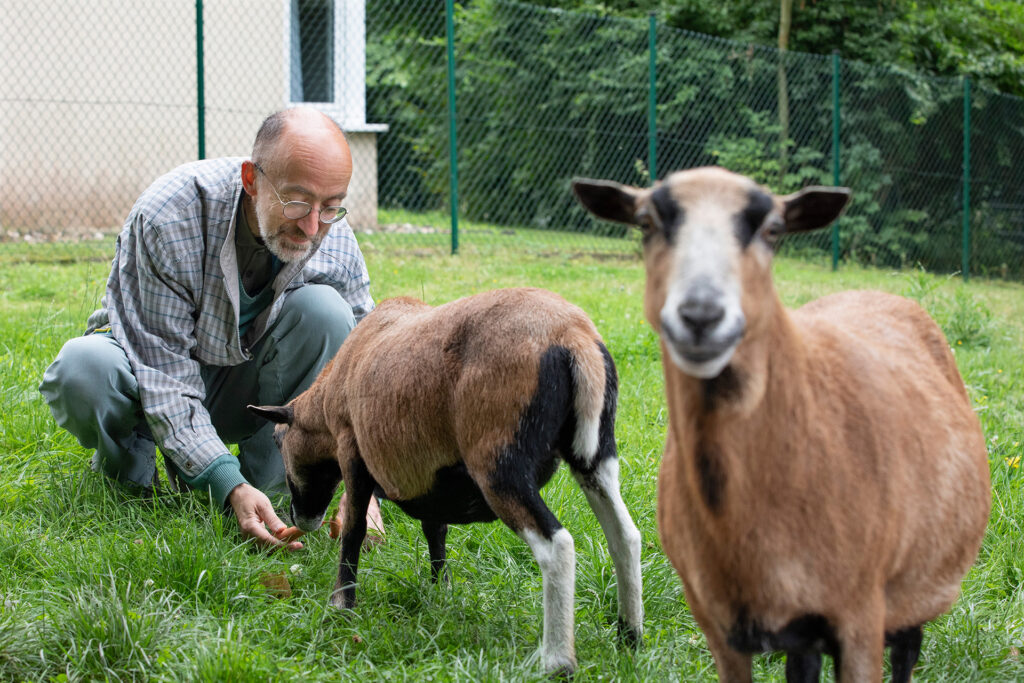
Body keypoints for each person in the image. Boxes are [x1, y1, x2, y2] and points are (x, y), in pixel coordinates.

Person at [39, 107, 384, 551]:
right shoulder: (170, 217)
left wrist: (365, 484)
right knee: (83, 369)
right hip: (147, 380)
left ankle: (273, 494)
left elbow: (366, 359)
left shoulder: (329, 230)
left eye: (331, 206)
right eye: (296, 201)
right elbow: (163, 375)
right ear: (251, 180)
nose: (313, 225)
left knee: (327, 313)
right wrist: (225, 480)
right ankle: (132, 482)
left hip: (241, 391)